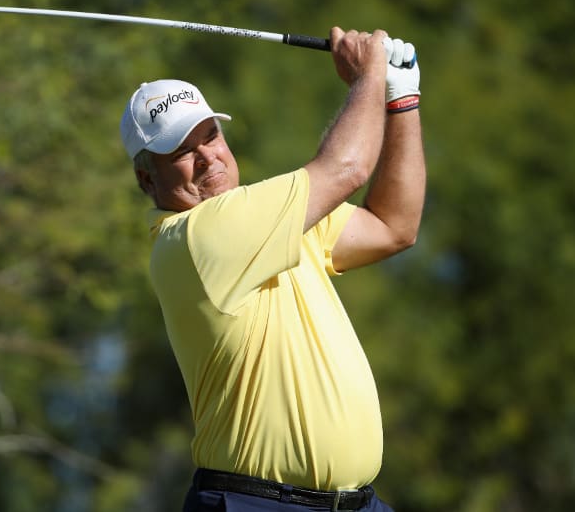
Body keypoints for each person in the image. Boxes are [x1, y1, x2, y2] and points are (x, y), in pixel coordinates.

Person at [119, 26, 424, 511]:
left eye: (210, 135)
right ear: (146, 178)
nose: (206, 158)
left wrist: (400, 99)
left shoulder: (267, 220)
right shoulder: (196, 236)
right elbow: (346, 169)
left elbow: (394, 226)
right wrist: (370, 75)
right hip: (257, 504)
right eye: (181, 151)